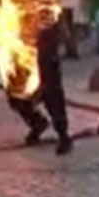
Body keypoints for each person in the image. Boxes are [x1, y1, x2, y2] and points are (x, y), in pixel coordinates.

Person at [6, 21, 72, 156]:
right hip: (21, 39)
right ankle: (37, 123)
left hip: (44, 37)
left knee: (51, 89)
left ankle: (63, 134)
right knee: (15, 92)